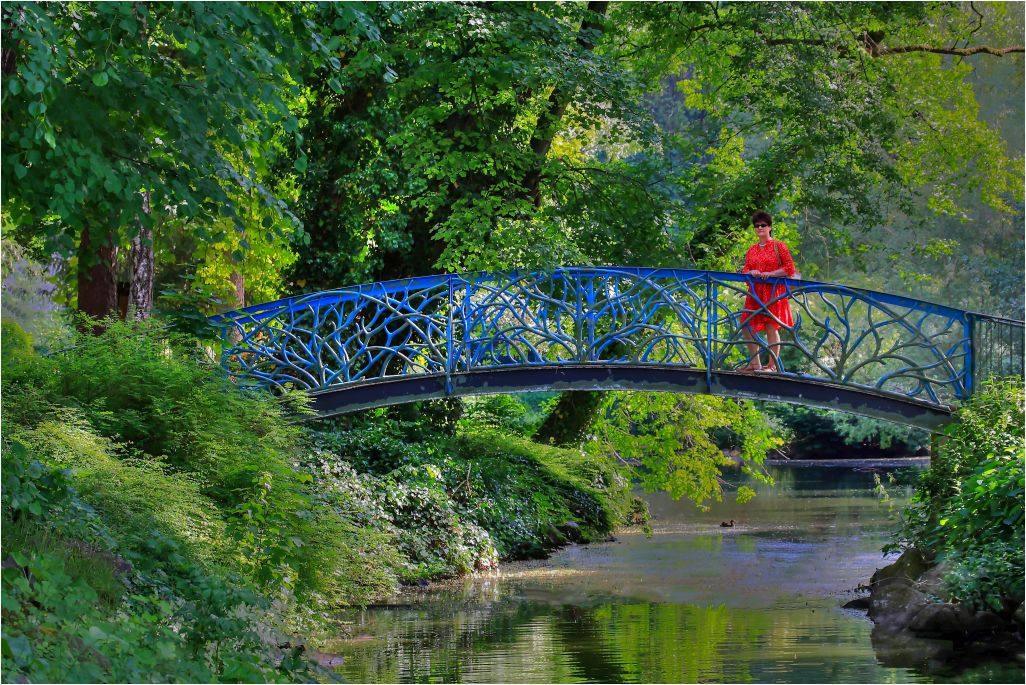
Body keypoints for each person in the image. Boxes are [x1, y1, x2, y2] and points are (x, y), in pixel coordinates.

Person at [739, 211, 796, 373]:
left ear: (770, 227)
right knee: (746, 325)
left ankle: (771, 366)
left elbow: (789, 268)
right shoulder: (752, 250)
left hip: (773, 292)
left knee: (771, 326)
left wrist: (771, 274)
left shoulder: (779, 246)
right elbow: (745, 270)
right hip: (756, 292)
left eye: (763, 225)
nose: (760, 228)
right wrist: (752, 272)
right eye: (757, 226)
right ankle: (755, 364)